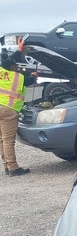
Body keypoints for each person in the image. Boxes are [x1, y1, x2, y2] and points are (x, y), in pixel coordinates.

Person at [0, 48, 38, 177]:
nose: (17, 67)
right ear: (12, 67)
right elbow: (29, 81)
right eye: (15, 65)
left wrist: (18, 51)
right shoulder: (17, 77)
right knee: (9, 140)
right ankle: (13, 168)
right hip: (8, 110)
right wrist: (34, 76)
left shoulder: (1, 70)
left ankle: (6, 165)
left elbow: (5, 61)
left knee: (2, 140)